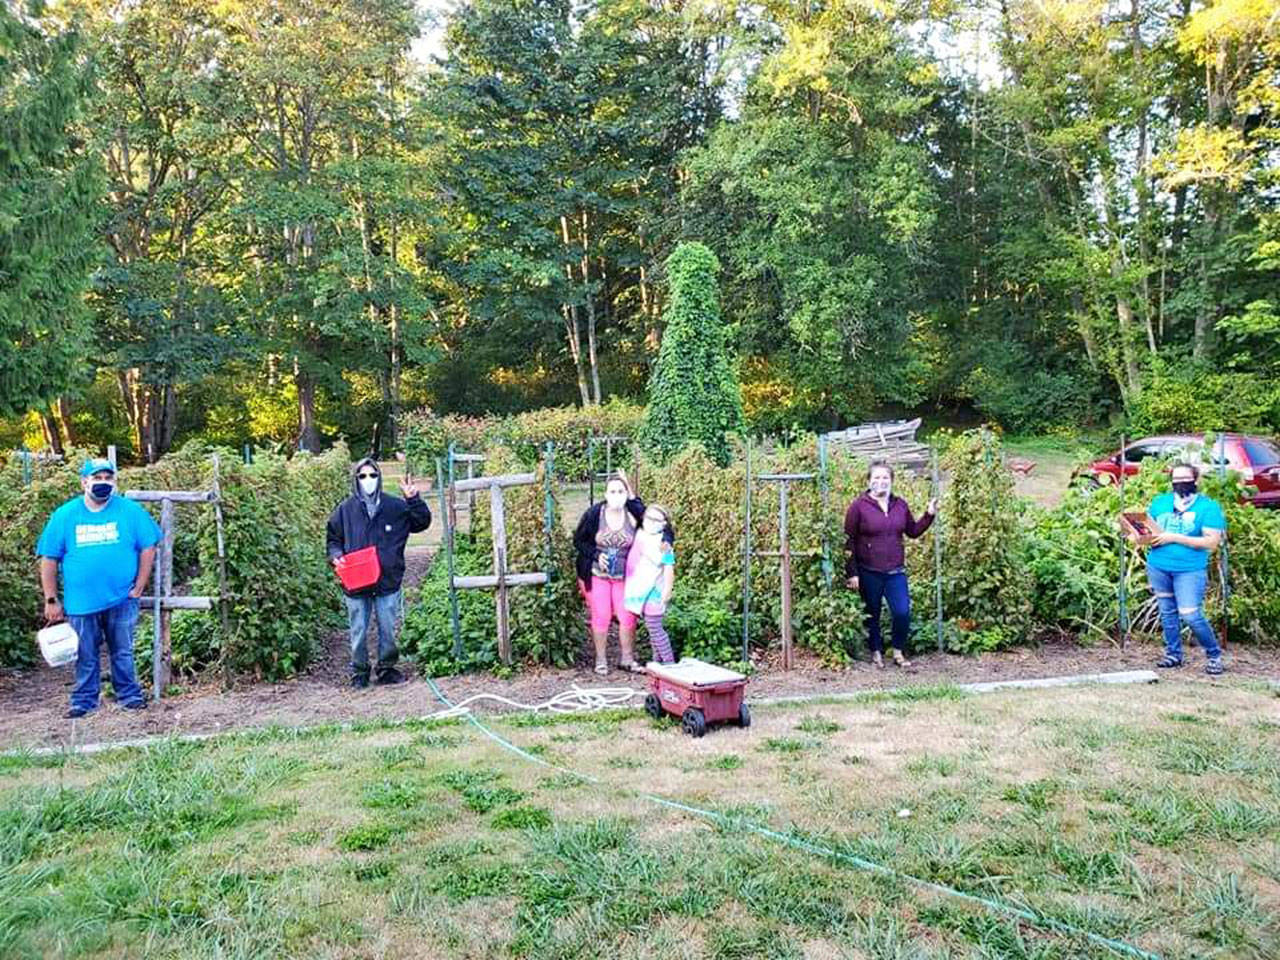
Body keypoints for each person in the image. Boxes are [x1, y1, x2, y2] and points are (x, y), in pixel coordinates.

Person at [36, 458, 161, 718]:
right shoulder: (65, 515)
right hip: (80, 603)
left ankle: (129, 695)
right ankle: (84, 701)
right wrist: (51, 599)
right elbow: (48, 557)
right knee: (85, 653)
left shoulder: (129, 511)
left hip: (121, 599)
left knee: (123, 650)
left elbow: (149, 546)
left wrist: (139, 586)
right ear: (84, 482)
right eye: (97, 478)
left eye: (108, 478)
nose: (103, 483)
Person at [326, 457, 431, 688]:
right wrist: (336, 556)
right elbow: (333, 538)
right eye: (362, 476)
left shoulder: (395, 507)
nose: (368, 480)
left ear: (379, 478)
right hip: (355, 580)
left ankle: (387, 668)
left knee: (387, 626)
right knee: (359, 628)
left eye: (372, 475)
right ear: (356, 480)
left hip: (387, 578)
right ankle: (360, 671)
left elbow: (421, 522)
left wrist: (413, 500)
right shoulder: (345, 510)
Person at [573, 470, 670, 675]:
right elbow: (579, 541)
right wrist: (595, 555)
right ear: (606, 493)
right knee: (602, 615)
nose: (616, 494)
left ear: (626, 493)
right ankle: (601, 660)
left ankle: (627, 659)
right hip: (597, 574)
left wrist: (667, 542)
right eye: (612, 491)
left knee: (627, 616)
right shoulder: (594, 514)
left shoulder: (633, 513)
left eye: (620, 490)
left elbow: (663, 524)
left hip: (626, 576)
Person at [844, 461, 937, 668]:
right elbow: (848, 540)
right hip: (869, 571)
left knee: (902, 611)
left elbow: (912, 531)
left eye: (885, 478)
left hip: (895, 571)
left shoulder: (900, 505)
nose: (881, 482)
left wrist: (929, 515)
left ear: (891, 481)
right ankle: (876, 652)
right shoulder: (858, 506)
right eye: (876, 478)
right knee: (872, 613)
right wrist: (852, 573)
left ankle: (897, 650)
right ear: (869, 481)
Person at [1139, 463, 1226, 675]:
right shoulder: (1161, 503)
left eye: (1185, 478)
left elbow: (1211, 542)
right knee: (1167, 611)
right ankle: (1173, 654)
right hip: (1159, 566)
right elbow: (1149, 531)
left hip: (1189, 569)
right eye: (1175, 479)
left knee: (1190, 613)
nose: (1180, 483)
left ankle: (1214, 654)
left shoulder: (1208, 507)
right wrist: (1137, 536)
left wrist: (1174, 537)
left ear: (1195, 480)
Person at [624, 504, 676, 664]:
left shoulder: (664, 545)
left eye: (656, 520)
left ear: (664, 524)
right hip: (641, 590)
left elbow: (669, 566)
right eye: (649, 518)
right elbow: (634, 504)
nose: (651, 522)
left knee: (655, 628)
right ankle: (657, 664)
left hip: (655, 591)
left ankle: (669, 664)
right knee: (652, 629)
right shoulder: (640, 534)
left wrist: (667, 589)